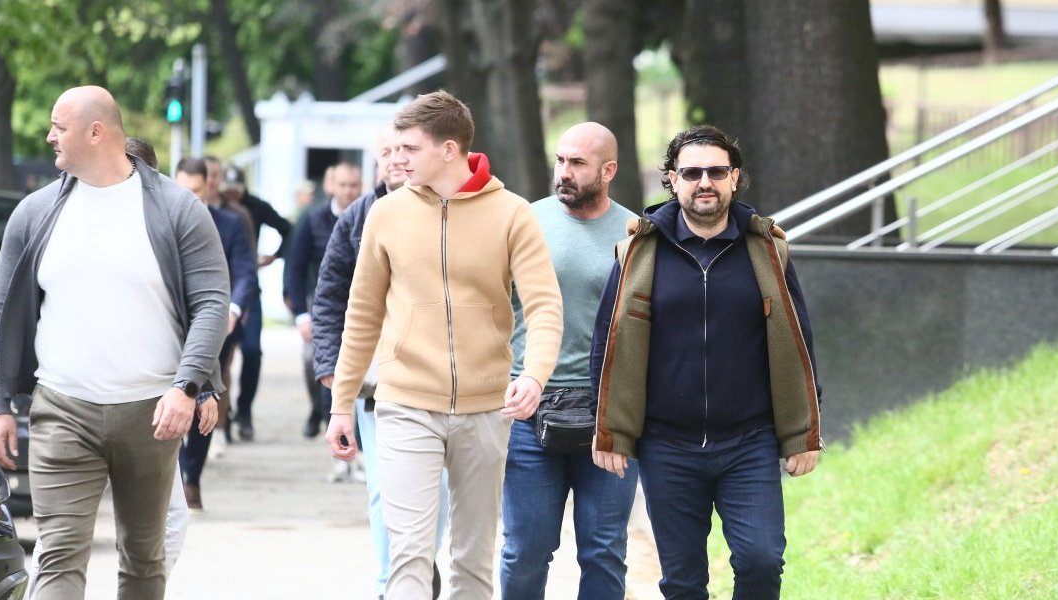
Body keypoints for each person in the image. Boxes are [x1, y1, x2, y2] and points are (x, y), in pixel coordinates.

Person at [0, 86, 229, 600]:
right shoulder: (35, 214)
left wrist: (189, 386)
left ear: (96, 132)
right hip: (62, 409)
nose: (49, 136)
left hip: (153, 412)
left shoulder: (178, 209)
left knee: (144, 558)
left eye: (59, 127)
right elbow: (1, 312)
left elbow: (212, 303)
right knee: (58, 555)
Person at [326, 91, 562, 599]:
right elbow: (362, 314)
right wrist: (341, 403)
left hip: (487, 409)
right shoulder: (386, 214)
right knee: (408, 555)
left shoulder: (512, 213)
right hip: (404, 403)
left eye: (410, 149)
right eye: (395, 149)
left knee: (472, 561)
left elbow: (544, 305)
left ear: (449, 149)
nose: (398, 160)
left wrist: (534, 375)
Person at [590, 125, 823, 599]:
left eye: (716, 172)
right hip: (667, 445)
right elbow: (607, 344)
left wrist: (804, 433)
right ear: (672, 179)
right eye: (691, 173)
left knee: (761, 561)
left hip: (749, 441)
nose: (704, 183)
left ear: (734, 178)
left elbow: (799, 341)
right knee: (683, 582)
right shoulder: (638, 252)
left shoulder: (767, 251)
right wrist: (609, 428)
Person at [500, 122, 639, 599]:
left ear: (608, 170)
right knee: (524, 551)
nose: (564, 171)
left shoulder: (636, 234)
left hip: (608, 413)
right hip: (527, 408)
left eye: (578, 163)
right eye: (560, 160)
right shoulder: (525, 221)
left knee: (603, 551)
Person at [312, 124, 445, 598]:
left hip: (439, 376)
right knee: (384, 488)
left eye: (402, 149)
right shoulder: (358, 218)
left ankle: (421, 569)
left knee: (437, 489)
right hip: (375, 381)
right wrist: (330, 366)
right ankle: (390, 583)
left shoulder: (446, 210)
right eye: (385, 152)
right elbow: (329, 295)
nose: (394, 159)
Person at [174, 158, 258, 510]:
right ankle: (175, 477)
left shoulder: (229, 224)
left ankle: (191, 476)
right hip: (170, 328)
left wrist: (232, 311)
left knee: (205, 396)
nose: (190, 197)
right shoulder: (160, 222)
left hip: (214, 327)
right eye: (184, 189)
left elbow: (246, 272)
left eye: (196, 190)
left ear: (208, 187)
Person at [285, 161, 362, 439]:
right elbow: (295, 266)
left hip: (359, 303)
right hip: (321, 302)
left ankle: (347, 427)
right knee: (314, 362)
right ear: (332, 186)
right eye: (343, 185)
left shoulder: (370, 214)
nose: (348, 191)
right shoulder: (312, 219)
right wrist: (301, 314)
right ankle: (318, 410)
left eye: (353, 185)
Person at [220, 165, 292, 441]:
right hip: (221, 286)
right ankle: (222, 417)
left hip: (248, 286)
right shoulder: (216, 209)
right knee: (221, 358)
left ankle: (245, 411)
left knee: (251, 351)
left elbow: (288, 229)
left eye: (236, 191)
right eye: (228, 192)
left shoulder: (256, 207)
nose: (232, 196)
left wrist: (274, 256)